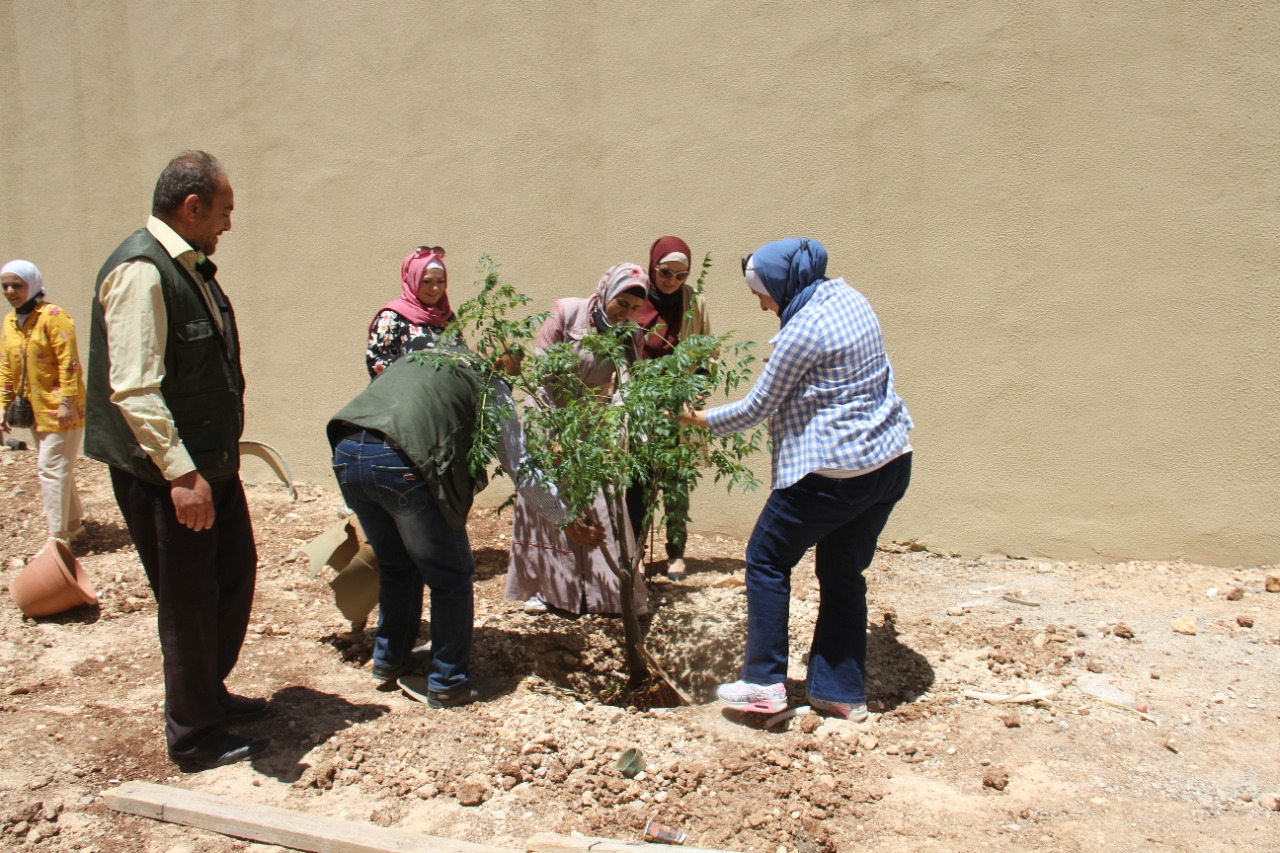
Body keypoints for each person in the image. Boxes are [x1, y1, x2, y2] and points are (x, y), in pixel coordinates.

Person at [85, 151, 269, 769]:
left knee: (232, 574)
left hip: (209, 466)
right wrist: (183, 475)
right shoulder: (142, 271)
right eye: (223, 210)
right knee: (188, 602)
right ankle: (194, 737)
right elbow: (135, 389)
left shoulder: (189, 266)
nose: (228, 224)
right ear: (192, 207)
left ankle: (207, 693)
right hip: (170, 475)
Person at [680, 238, 913, 722]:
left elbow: (757, 407)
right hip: (889, 462)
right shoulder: (849, 297)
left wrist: (697, 419)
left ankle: (764, 683)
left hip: (833, 475)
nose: (763, 305)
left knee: (766, 557)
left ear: (781, 284)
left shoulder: (802, 330)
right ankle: (839, 693)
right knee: (843, 574)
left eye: (761, 294)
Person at [328, 341, 603, 706]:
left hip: (348, 451)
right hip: (401, 463)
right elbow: (519, 464)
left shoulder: (424, 356)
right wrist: (564, 518)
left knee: (397, 565)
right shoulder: (490, 384)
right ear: (500, 362)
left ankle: (390, 660)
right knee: (451, 575)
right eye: (513, 372)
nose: (512, 381)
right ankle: (448, 682)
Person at [505, 262, 651, 617]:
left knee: (602, 507)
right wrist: (548, 436)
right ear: (606, 292)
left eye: (634, 308)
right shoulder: (566, 314)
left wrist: (616, 433)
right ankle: (548, 589)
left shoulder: (630, 335)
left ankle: (611, 594)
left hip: (595, 427)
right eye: (622, 304)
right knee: (550, 501)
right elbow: (540, 379)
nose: (626, 314)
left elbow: (627, 388)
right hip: (551, 417)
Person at [624, 236, 711, 582]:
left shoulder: (694, 303)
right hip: (639, 403)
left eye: (681, 275)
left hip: (677, 405)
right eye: (665, 272)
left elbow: (706, 353)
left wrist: (695, 394)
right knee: (637, 481)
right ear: (653, 266)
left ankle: (676, 553)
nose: (672, 281)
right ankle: (634, 552)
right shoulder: (635, 297)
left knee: (676, 481)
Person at [0, 260, 87, 544]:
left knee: (50, 469)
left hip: (61, 409)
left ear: (33, 284)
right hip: (34, 410)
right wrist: (3, 405)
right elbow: (6, 366)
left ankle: (57, 538)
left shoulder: (53, 316)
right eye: (5, 286)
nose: (10, 291)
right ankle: (74, 526)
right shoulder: (10, 322)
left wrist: (66, 402)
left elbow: (69, 362)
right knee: (58, 466)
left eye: (17, 285)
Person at [366, 247, 455, 379]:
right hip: (406, 391)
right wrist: (421, 373)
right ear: (414, 280)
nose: (435, 288)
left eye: (440, 281)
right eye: (426, 281)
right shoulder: (392, 317)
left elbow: (461, 357)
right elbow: (377, 361)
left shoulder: (447, 317)